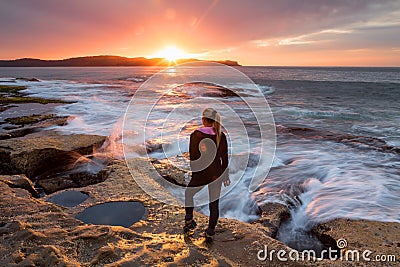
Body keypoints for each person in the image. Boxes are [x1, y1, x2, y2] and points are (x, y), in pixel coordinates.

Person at [184, 107, 230, 241]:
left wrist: (195, 174)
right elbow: (224, 159)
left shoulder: (196, 134)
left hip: (201, 173)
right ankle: (210, 232)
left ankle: (189, 220)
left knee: (189, 193)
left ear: (203, 120)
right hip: (216, 174)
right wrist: (224, 176)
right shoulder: (221, 136)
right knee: (214, 204)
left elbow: (193, 157)